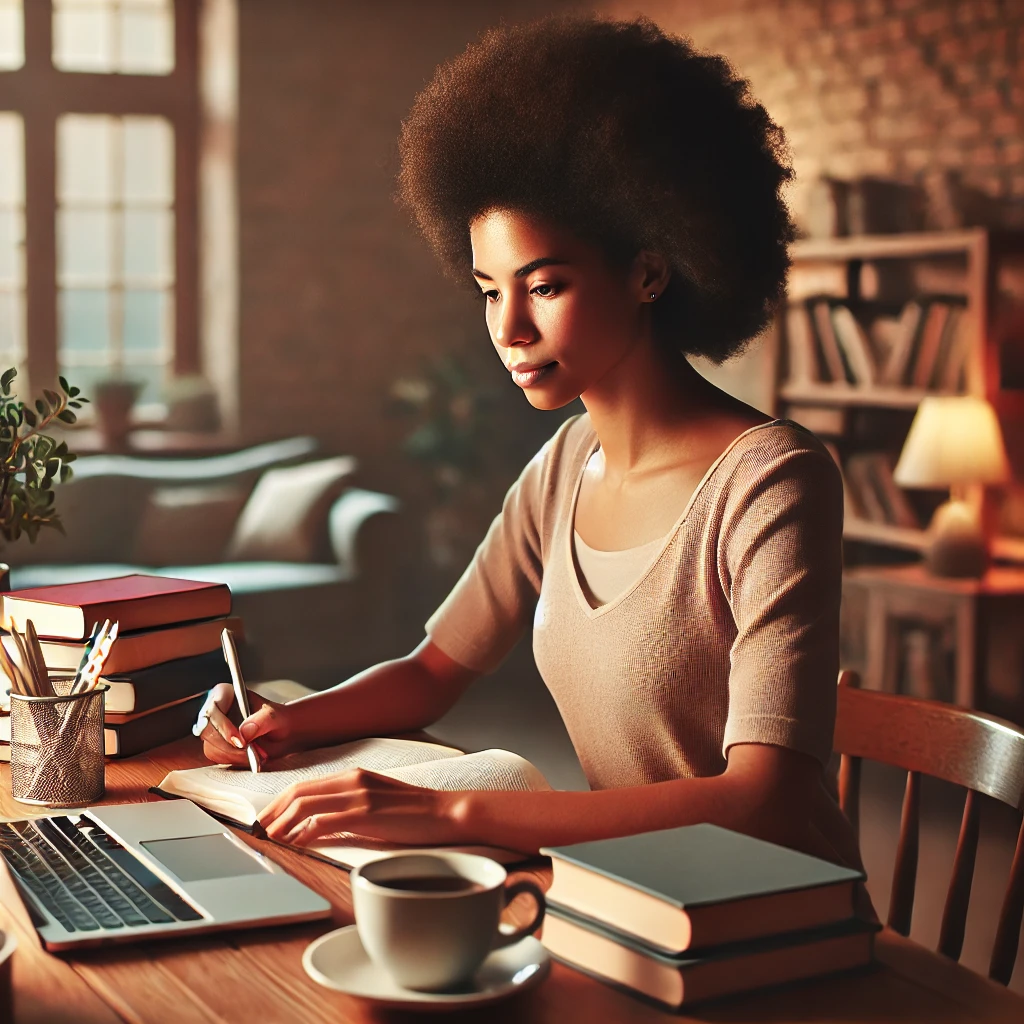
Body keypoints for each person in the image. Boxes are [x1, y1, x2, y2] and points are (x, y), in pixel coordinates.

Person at [198, 14, 863, 872]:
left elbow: (763, 801)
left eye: (545, 285)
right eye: (488, 290)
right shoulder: (562, 466)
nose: (508, 328)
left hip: (783, 918)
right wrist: (283, 718)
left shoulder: (772, 482)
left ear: (650, 271)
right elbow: (436, 670)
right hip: (634, 892)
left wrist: (453, 811)